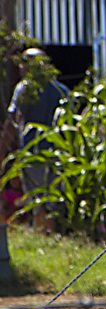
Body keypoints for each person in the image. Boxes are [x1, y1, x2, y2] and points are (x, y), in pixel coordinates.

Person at [3, 48, 69, 222]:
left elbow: (12, 121)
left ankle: (42, 235)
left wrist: (2, 152)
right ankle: (52, 233)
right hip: (57, 154)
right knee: (54, 201)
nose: (21, 69)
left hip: (34, 154)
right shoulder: (61, 90)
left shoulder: (24, 88)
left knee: (37, 202)